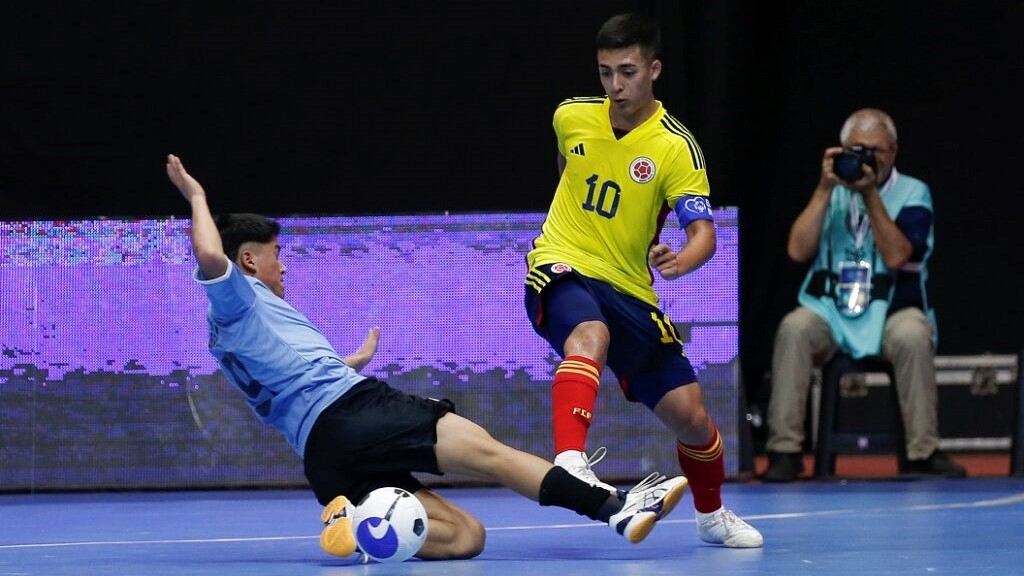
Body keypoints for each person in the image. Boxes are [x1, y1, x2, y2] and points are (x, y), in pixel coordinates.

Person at [165, 154, 688, 561]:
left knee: (466, 537)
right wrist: (197, 196)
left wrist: (350, 361)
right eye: (277, 255)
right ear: (249, 259)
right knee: (493, 455)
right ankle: (616, 509)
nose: (283, 267)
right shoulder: (237, 297)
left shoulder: (235, 335)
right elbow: (210, 255)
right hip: (357, 413)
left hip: (324, 457)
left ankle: (360, 523)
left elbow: (293, 384)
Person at [523, 13, 763, 548]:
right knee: (590, 335)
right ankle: (571, 461)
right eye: (605, 72)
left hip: (631, 288)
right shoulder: (571, 115)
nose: (615, 85)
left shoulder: (676, 147)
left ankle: (712, 516)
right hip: (561, 262)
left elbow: (703, 233)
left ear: (653, 70)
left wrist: (682, 260)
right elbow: (567, 168)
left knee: (693, 417)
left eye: (627, 72)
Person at [762, 108, 967, 481]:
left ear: (894, 151)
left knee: (913, 334)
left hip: (891, 310)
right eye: (858, 150)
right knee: (794, 328)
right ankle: (784, 450)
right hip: (831, 310)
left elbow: (897, 256)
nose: (868, 158)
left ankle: (923, 452)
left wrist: (870, 194)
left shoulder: (913, 192)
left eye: (877, 150)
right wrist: (823, 189)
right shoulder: (831, 190)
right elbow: (797, 250)